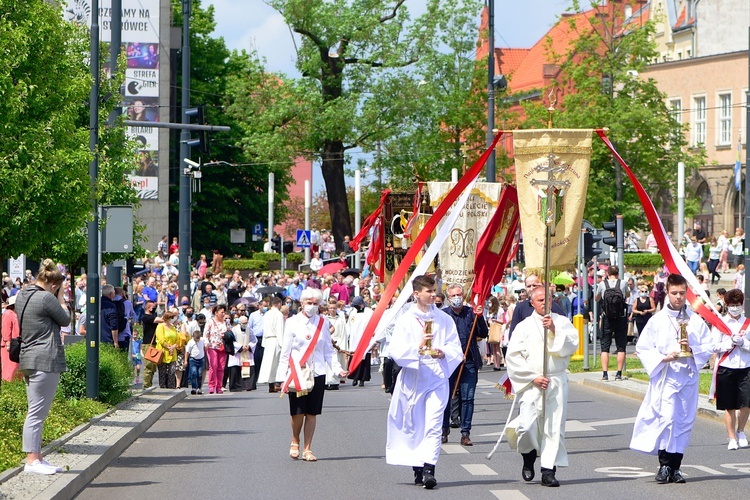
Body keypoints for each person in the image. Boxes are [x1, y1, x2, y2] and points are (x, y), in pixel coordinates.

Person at [629, 273, 714, 484]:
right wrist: (663, 357)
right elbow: (643, 347)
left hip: (688, 376)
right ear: (667, 292)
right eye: (674, 293)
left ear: (687, 294)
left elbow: (708, 345)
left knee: (683, 421)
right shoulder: (657, 320)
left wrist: (693, 350)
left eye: (682, 293)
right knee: (667, 419)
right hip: (667, 376)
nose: (678, 297)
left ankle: (677, 467)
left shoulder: (695, 320)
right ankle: (664, 465)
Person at [385, 275, 463, 489]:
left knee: (434, 424)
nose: (433, 295)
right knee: (415, 424)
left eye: (434, 291)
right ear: (416, 293)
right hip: (413, 378)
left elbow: (455, 347)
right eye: (428, 291)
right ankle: (417, 465)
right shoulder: (406, 319)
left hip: (437, 377)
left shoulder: (444, 319)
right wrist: (417, 348)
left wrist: (443, 352)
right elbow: (396, 350)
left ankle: (429, 468)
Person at [505, 286, 579, 487]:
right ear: (531, 303)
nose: (544, 304)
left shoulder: (562, 321)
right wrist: (533, 377)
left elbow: (573, 344)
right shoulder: (524, 326)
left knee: (553, 427)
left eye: (547, 300)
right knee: (528, 424)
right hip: (532, 383)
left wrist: (555, 330)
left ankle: (548, 470)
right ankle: (528, 457)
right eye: (539, 300)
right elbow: (512, 356)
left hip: (555, 381)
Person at [275, 288, 346, 462]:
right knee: (298, 411)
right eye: (309, 303)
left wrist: (337, 370)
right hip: (298, 372)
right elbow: (285, 352)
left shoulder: (322, 323)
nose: (312, 306)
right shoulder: (292, 322)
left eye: (315, 303)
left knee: (312, 413)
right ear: (302, 303)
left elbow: (328, 351)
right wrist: (281, 376)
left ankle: (308, 448)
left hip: (318, 372)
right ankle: (295, 439)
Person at [16, 259, 70, 475]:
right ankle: (31, 460)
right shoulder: (47, 298)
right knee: (37, 413)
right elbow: (65, 319)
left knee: (35, 409)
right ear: (54, 284)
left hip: (28, 358)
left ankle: (37, 456)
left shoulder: (22, 294)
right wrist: (60, 297)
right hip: (45, 359)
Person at [441, 283, 488, 447]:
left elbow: (483, 333)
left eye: (459, 294)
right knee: (446, 397)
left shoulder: (471, 313)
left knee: (468, 398)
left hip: (469, 363)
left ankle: (465, 432)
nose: (456, 298)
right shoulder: (443, 316)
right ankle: (443, 430)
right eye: (453, 295)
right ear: (448, 298)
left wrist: (480, 317)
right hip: (449, 363)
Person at [710, 289, 750, 450]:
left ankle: (741, 431)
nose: (735, 308)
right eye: (732, 305)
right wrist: (729, 343)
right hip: (726, 368)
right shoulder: (721, 324)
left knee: (746, 404)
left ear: (742, 305)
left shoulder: (747, 323)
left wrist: (743, 344)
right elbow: (713, 345)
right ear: (727, 305)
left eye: (737, 305)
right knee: (730, 405)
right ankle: (732, 437)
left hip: (746, 367)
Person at [595, 266, 630, 381]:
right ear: (618, 274)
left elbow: (597, 298)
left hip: (607, 318)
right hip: (621, 318)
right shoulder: (623, 283)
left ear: (607, 273)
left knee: (605, 347)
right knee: (621, 346)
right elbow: (627, 295)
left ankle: (605, 374)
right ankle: (619, 373)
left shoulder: (602, 284)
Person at [507, 274, 565, 341]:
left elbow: (563, 327)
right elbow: (513, 333)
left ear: (541, 286)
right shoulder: (520, 307)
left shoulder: (552, 305)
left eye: (534, 285)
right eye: (528, 286)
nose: (531, 288)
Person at [258, 296, 285, 392]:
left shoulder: (267, 314)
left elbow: (264, 329)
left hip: (268, 340)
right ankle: (276, 383)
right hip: (276, 339)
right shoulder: (278, 314)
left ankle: (271, 384)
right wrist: (282, 344)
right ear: (278, 304)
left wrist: (264, 342)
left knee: (269, 363)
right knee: (276, 363)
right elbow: (280, 329)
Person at [347, 296, 374, 387]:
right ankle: (355, 378)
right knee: (355, 358)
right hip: (354, 339)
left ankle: (362, 379)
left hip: (365, 338)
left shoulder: (369, 312)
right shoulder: (353, 313)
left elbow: (374, 325)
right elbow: (349, 325)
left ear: (361, 304)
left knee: (364, 359)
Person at [204, 305, 229, 394]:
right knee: (213, 366)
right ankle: (211, 385)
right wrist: (206, 343)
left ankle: (219, 386)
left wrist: (226, 335)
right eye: (221, 312)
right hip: (212, 346)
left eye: (224, 312)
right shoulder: (210, 322)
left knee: (221, 367)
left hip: (222, 347)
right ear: (216, 312)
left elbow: (230, 333)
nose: (223, 314)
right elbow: (206, 333)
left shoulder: (225, 322)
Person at [155, 311, 181, 389]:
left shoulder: (173, 327)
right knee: (162, 372)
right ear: (166, 318)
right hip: (163, 352)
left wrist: (173, 347)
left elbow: (177, 339)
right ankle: (162, 387)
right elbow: (161, 339)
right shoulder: (160, 326)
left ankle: (171, 387)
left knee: (172, 371)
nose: (172, 319)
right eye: (171, 318)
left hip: (172, 353)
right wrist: (168, 347)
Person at [141, 300, 162, 389]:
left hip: (154, 344)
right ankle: (146, 386)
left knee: (153, 367)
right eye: (153, 307)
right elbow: (159, 320)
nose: (154, 309)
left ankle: (149, 384)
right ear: (148, 307)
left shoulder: (153, 316)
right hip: (148, 344)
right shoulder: (146, 317)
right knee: (148, 366)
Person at [2, 295, 20, 381]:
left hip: (15, 346)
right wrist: (8, 343)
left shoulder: (15, 313)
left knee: (15, 370)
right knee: (9, 370)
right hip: (9, 346)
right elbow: (6, 329)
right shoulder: (8, 313)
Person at [184, 325, 206, 395]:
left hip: (201, 359)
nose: (197, 340)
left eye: (198, 338)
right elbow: (187, 352)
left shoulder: (202, 340)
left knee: (199, 374)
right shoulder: (191, 342)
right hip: (193, 359)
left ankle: (199, 388)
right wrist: (186, 360)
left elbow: (205, 347)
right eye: (196, 338)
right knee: (193, 373)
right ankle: (194, 387)